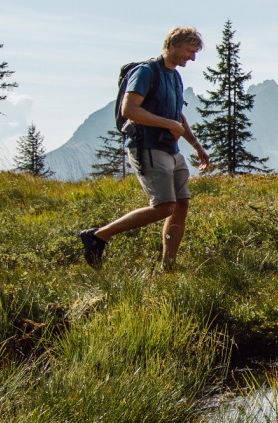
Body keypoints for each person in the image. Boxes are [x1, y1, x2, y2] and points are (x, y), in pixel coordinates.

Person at [79, 27, 212, 270]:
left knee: (181, 204)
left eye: (195, 53)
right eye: (189, 51)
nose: (192, 58)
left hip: (171, 149)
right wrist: (168, 124)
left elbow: (178, 116)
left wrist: (197, 146)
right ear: (172, 45)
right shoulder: (146, 72)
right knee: (164, 207)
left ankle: (168, 266)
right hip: (147, 146)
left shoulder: (175, 76)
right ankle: (98, 235)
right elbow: (129, 109)